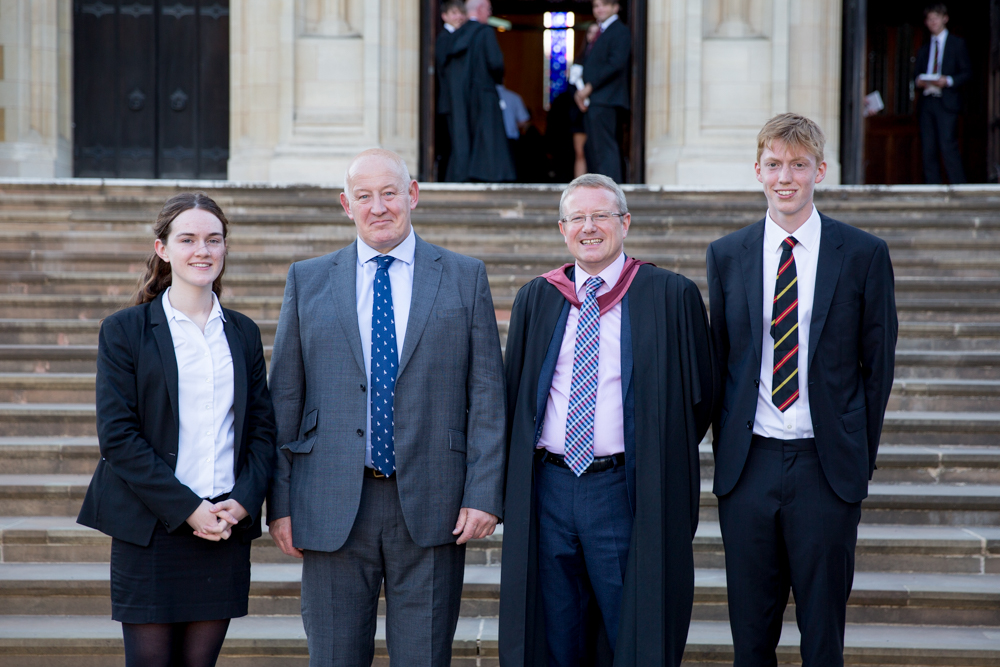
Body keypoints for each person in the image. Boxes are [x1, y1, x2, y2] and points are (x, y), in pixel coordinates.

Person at [267, 148, 507, 666]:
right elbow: (284, 397)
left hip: (434, 502)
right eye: (364, 196)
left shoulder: (465, 277)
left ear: (413, 195)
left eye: (389, 192)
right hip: (330, 503)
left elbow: (486, 393)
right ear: (345, 205)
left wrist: (484, 493)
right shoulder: (307, 280)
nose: (378, 206)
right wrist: (279, 502)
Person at [500, 174, 717, 667]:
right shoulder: (538, 297)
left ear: (625, 222)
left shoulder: (669, 296)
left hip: (622, 490)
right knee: (554, 631)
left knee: (632, 628)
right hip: (549, 488)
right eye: (578, 218)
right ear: (562, 228)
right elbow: (516, 394)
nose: (589, 227)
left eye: (601, 216)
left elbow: (699, 399)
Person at [706, 114, 898, 666]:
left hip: (826, 467)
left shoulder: (863, 254)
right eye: (773, 165)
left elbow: (876, 368)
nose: (784, 176)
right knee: (750, 635)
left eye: (797, 165)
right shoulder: (728, 254)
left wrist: (857, 459)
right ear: (758, 171)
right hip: (750, 467)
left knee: (822, 636)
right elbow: (721, 360)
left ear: (820, 170)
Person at [77, 193, 277, 667]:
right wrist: (189, 509)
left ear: (225, 248)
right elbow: (119, 438)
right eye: (187, 239)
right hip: (150, 529)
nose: (202, 250)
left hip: (222, 529)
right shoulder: (124, 330)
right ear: (163, 249)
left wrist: (244, 501)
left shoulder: (243, 333)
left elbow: (262, 430)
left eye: (213, 239)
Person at [438, 0, 515, 182]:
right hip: (484, 94)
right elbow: (496, 63)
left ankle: (462, 177)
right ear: (480, 9)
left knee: (463, 139)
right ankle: (487, 176)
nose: (489, 14)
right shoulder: (485, 32)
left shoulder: (455, 35)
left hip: (459, 99)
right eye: (489, 9)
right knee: (487, 138)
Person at [915, 4, 971, 184]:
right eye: (929, 19)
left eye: (936, 18)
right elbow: (914, 76)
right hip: (927, 102)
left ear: (945, 19)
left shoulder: (957, 44)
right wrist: (919, 81)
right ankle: (932, 188)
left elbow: (967, 73)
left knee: (948, 145)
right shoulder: (923, 49)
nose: (932, 22)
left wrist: (948, 81)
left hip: (947, 102)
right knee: (928, 147)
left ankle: (959, 187)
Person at [575, 0, 631, 183]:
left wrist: (589, 87)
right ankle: (601, 190)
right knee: (594, 148)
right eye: (596, 6)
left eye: (604, 5)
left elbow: (615, 63)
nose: (599, 9)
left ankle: (611, 193)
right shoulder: (600, 31)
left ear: (616, 7)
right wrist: (581, 91)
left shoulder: (619, 30)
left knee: (606, 149)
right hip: (595, 99)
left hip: (607, 99)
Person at [435, 0, 468, 180]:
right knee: (451, 143)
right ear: (444, 16)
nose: (459, 17)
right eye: (454, 13)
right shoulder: (445, 38)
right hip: (449, 101)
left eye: (461, 13)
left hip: (453, 101)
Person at [571, 23, 602, 178]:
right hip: (581, 112)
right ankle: (579, 188)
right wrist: (578, 97)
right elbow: (571, 85)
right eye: (590, 32)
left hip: (599, 109)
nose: (593, 36)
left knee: (598, 150)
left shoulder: (603, 60)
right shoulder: (580, 58)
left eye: (597, 33)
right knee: (581, 152)